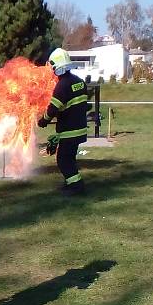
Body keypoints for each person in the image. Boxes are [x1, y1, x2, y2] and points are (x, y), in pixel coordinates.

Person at [38, 48, 90, 195]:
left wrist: (43, 121)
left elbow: (53, 108)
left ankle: (76, 186)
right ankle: (70, 183)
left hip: (69, 130)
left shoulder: (62, 86)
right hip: (80, 128)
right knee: (70, 159)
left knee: (63, 160)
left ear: (57, 67)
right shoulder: (79, 82)